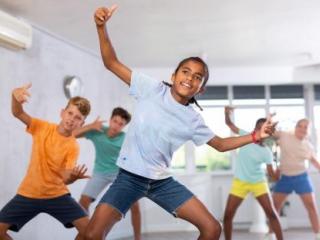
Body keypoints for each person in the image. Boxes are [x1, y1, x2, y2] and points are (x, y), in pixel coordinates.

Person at [84, 5, 276, 240]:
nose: (190, 78)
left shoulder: (193, 118)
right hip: (129, 178)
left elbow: (221, 144)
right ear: (174, 76)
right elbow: (111, 62)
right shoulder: (151, 89)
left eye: (197, 77)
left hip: (161, 182)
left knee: (212, 228)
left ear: (200, 88)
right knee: (92, 235)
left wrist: (256, 136)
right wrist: (101, 27)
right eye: (186, 72)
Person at [0, 83, 91, 240]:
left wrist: (73, 177)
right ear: (62, 113)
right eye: (70, 113)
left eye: (78, 118)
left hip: (57, 195)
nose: (72, 119)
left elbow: (65, 177)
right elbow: (17, 112)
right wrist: (14, 97)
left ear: (81, 124)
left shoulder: (73, 146)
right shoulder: (42, 127)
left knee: (89, 231)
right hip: (28, 193)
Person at [73, 107, 141, 240]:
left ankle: (138, 238)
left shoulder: (125, 139)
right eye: (115, 121)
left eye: (121, 124)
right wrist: (90, 126)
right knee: (83, 201)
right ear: (110, 120)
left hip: (120, 174)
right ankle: (88, 231)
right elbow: (72, 134)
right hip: (100, 173)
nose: (116, 126)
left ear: (124, 126)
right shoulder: (97, 131)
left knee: (135, 205)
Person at [222, 106, 283, 240]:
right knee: (227, 216)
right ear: (255, 129)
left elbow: (273, 176)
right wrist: (227, 113)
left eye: (266, 128)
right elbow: (229, 124)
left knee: (272, 214)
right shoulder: (245, 135)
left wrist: (278, 168)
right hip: (240, 181)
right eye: (260, 128)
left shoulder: (266, 152)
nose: (263, 130)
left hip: (258, 182)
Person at [271, 118, 320, 240]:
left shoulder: (308, 146)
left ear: (308, 131)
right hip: (285, 178)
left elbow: (314, 161)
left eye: (305, 127)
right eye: (300, 126)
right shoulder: (285, 136)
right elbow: (271, 132)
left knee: (312, 207)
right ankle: (270, 234)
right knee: (274, 207)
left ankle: (318, 235)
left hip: (301, 177)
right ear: (296, 126)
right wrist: (271, 121)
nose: (302, 129)